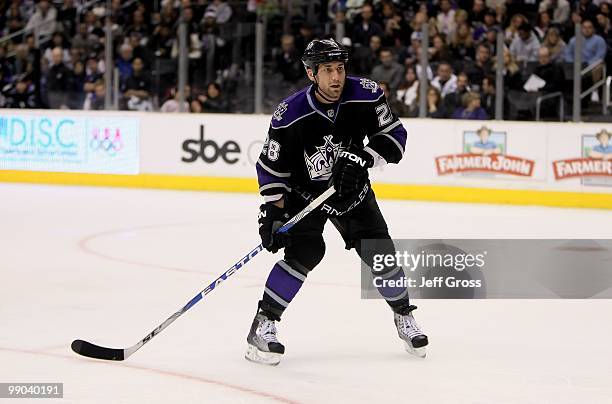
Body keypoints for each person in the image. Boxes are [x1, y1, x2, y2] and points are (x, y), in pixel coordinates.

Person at [246, 38, 428, 366]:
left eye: (340, 69)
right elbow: (271, 168)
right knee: (305, 252)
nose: (336, 77)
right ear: (311, 73)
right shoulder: (290, 115)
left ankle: (404, 316)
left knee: (381, 253)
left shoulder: (367, 94)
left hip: (352, 191)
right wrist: (272, 213)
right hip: (306, 198)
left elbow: (394, 137)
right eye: (327, 70)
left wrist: (363, 157)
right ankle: (264, 324)